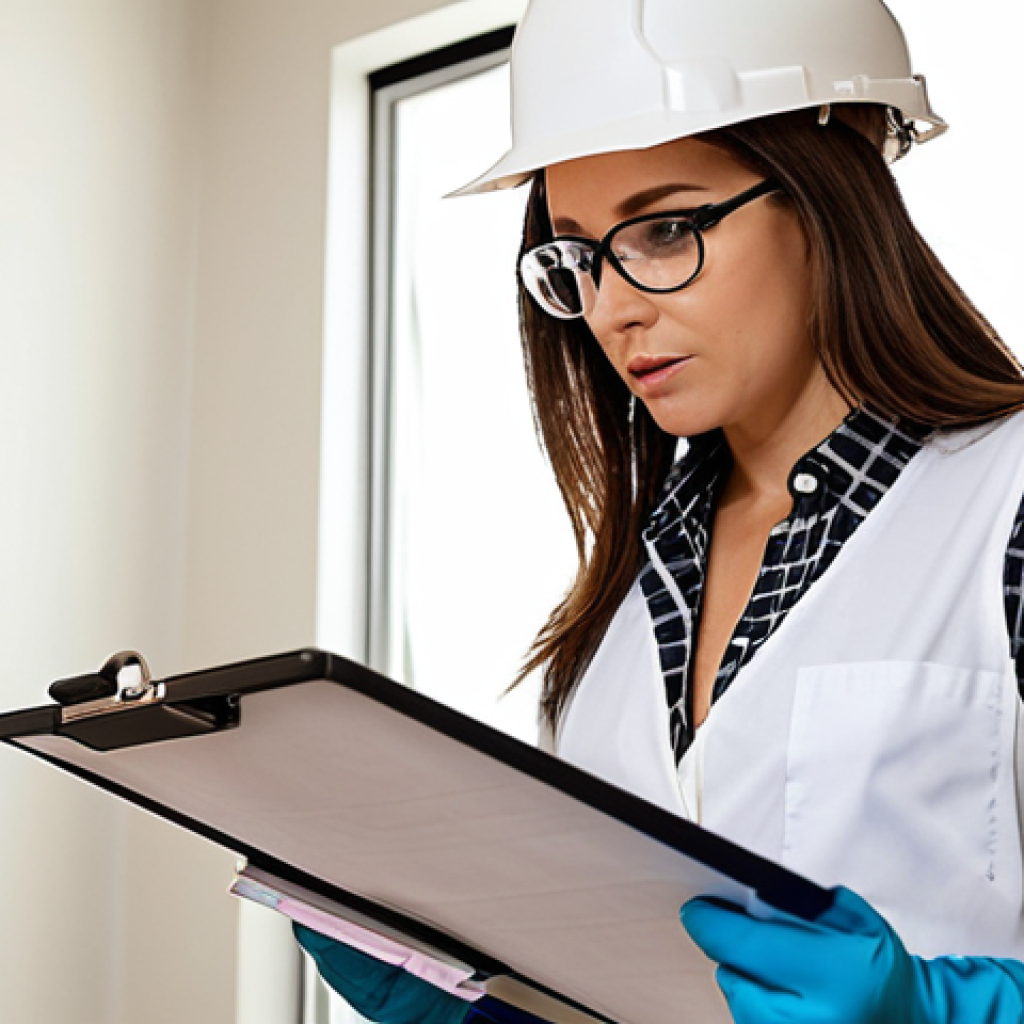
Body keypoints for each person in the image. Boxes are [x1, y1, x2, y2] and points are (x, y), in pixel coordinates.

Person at [298, 0, 1024, 1020]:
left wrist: (943, 1012)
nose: (611, 307)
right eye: (580, 256)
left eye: (668, 228)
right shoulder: (615, 612)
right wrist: (476, 998)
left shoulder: (1007, 502)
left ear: (837, 190)